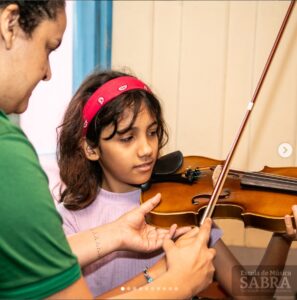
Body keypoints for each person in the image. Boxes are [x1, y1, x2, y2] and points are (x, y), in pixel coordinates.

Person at [0, 1, 216, 299]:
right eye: (49, 47)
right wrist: (176, 282)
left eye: (152, 133)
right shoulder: (7, 153)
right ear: (9, 24)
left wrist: (115, 234)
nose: (48, 72)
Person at [57, 68, 297, 299]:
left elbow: (251, 295)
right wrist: (163, 274)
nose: (147, 149)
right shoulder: (71, 220)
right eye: (128, 138)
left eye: (152, 132)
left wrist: (282, 237)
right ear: (91, 148)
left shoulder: (178, 203)